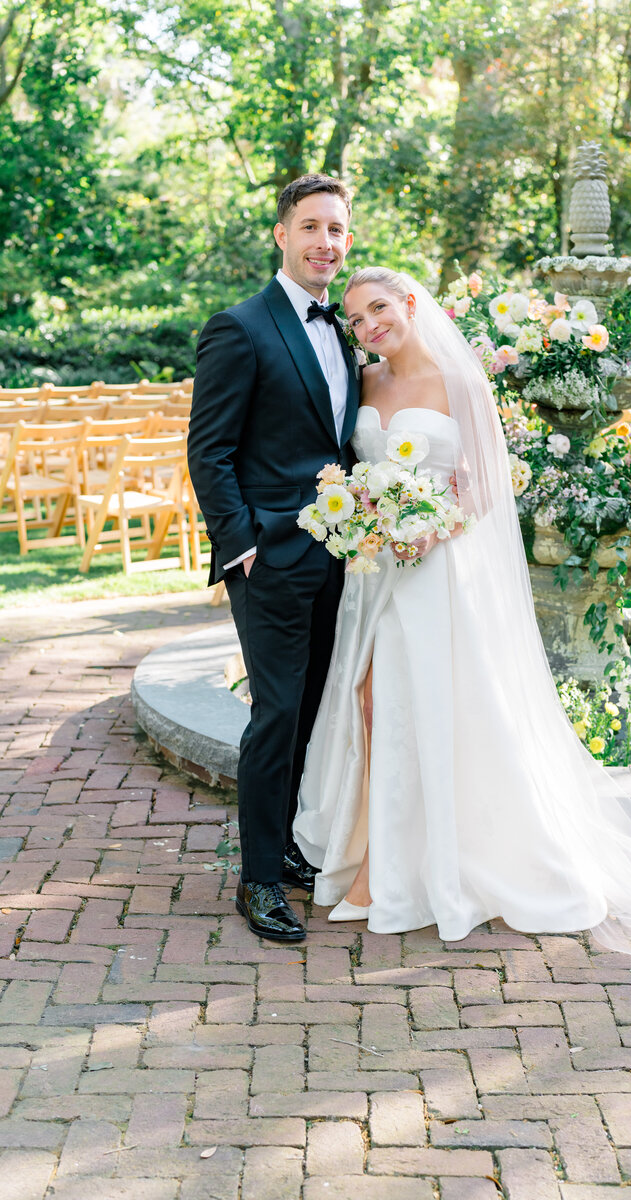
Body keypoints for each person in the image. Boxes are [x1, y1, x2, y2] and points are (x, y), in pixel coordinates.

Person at [293, 266, 631, 991]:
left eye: (379, 309)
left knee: (410, 704)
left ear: (409, 305)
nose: (369, 326)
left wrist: (429, 528)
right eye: (357, 319)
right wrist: (370, 520)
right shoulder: (365, 385)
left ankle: (396, 870)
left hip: (436, 571)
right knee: (369, 703)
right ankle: (381, 856)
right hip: (377, 576)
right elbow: (358, 470)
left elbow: (489, 486)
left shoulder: (460, 383)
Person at [188, 174, 360, 942]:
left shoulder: (348, 330)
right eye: (314, 227)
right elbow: (210, 450)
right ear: (283, 235)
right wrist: (244, 547)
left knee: (313, 710)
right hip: (271, 558)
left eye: (339, 230)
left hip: (342, 556)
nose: (328, 243)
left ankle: (286, 844)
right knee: (276, 712)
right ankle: (257, 879)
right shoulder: (240, 327)